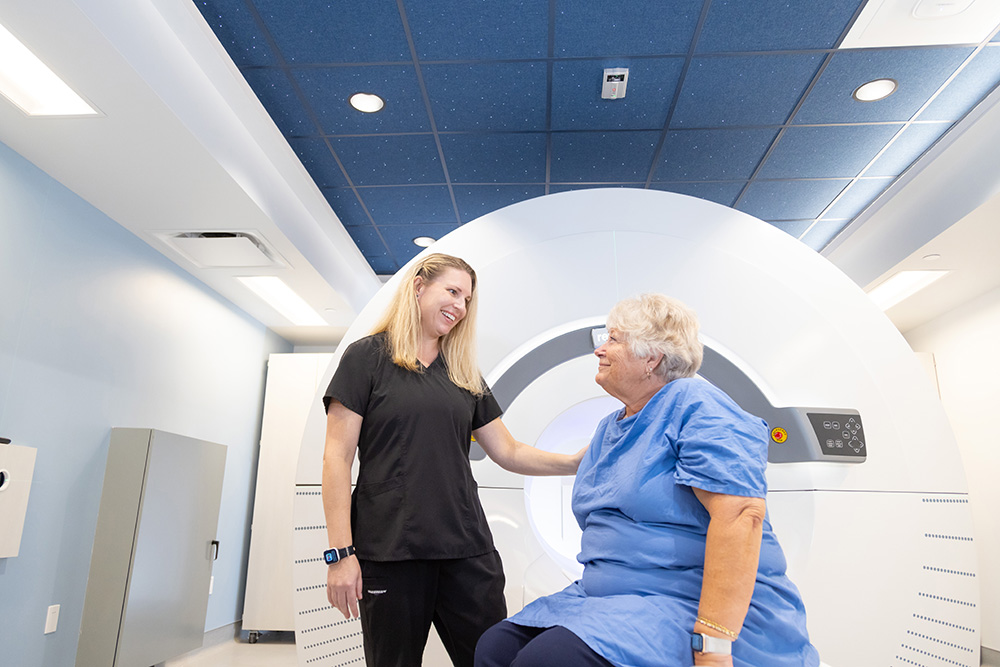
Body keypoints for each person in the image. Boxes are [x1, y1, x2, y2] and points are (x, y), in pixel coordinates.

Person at [475, 294, 820, 667]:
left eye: (613, 339)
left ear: (651, 358)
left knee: (546, 660)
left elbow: (741, 515)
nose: (600, 350)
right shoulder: (613, 425)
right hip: (607, 597)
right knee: (496, 647)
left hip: (681, 598)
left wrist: (713, 645)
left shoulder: (696, 403)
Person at [322, 253, 585, 667]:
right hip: (391, 550)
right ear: (418, 286)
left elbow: (508, 450)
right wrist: (340, 555)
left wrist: (573, 462)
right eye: (453, 291)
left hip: (465, 549)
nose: (460, 306)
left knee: (491, 659)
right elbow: (336, 458)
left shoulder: (462, 372)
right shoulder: (366, 358)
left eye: (467, 299)